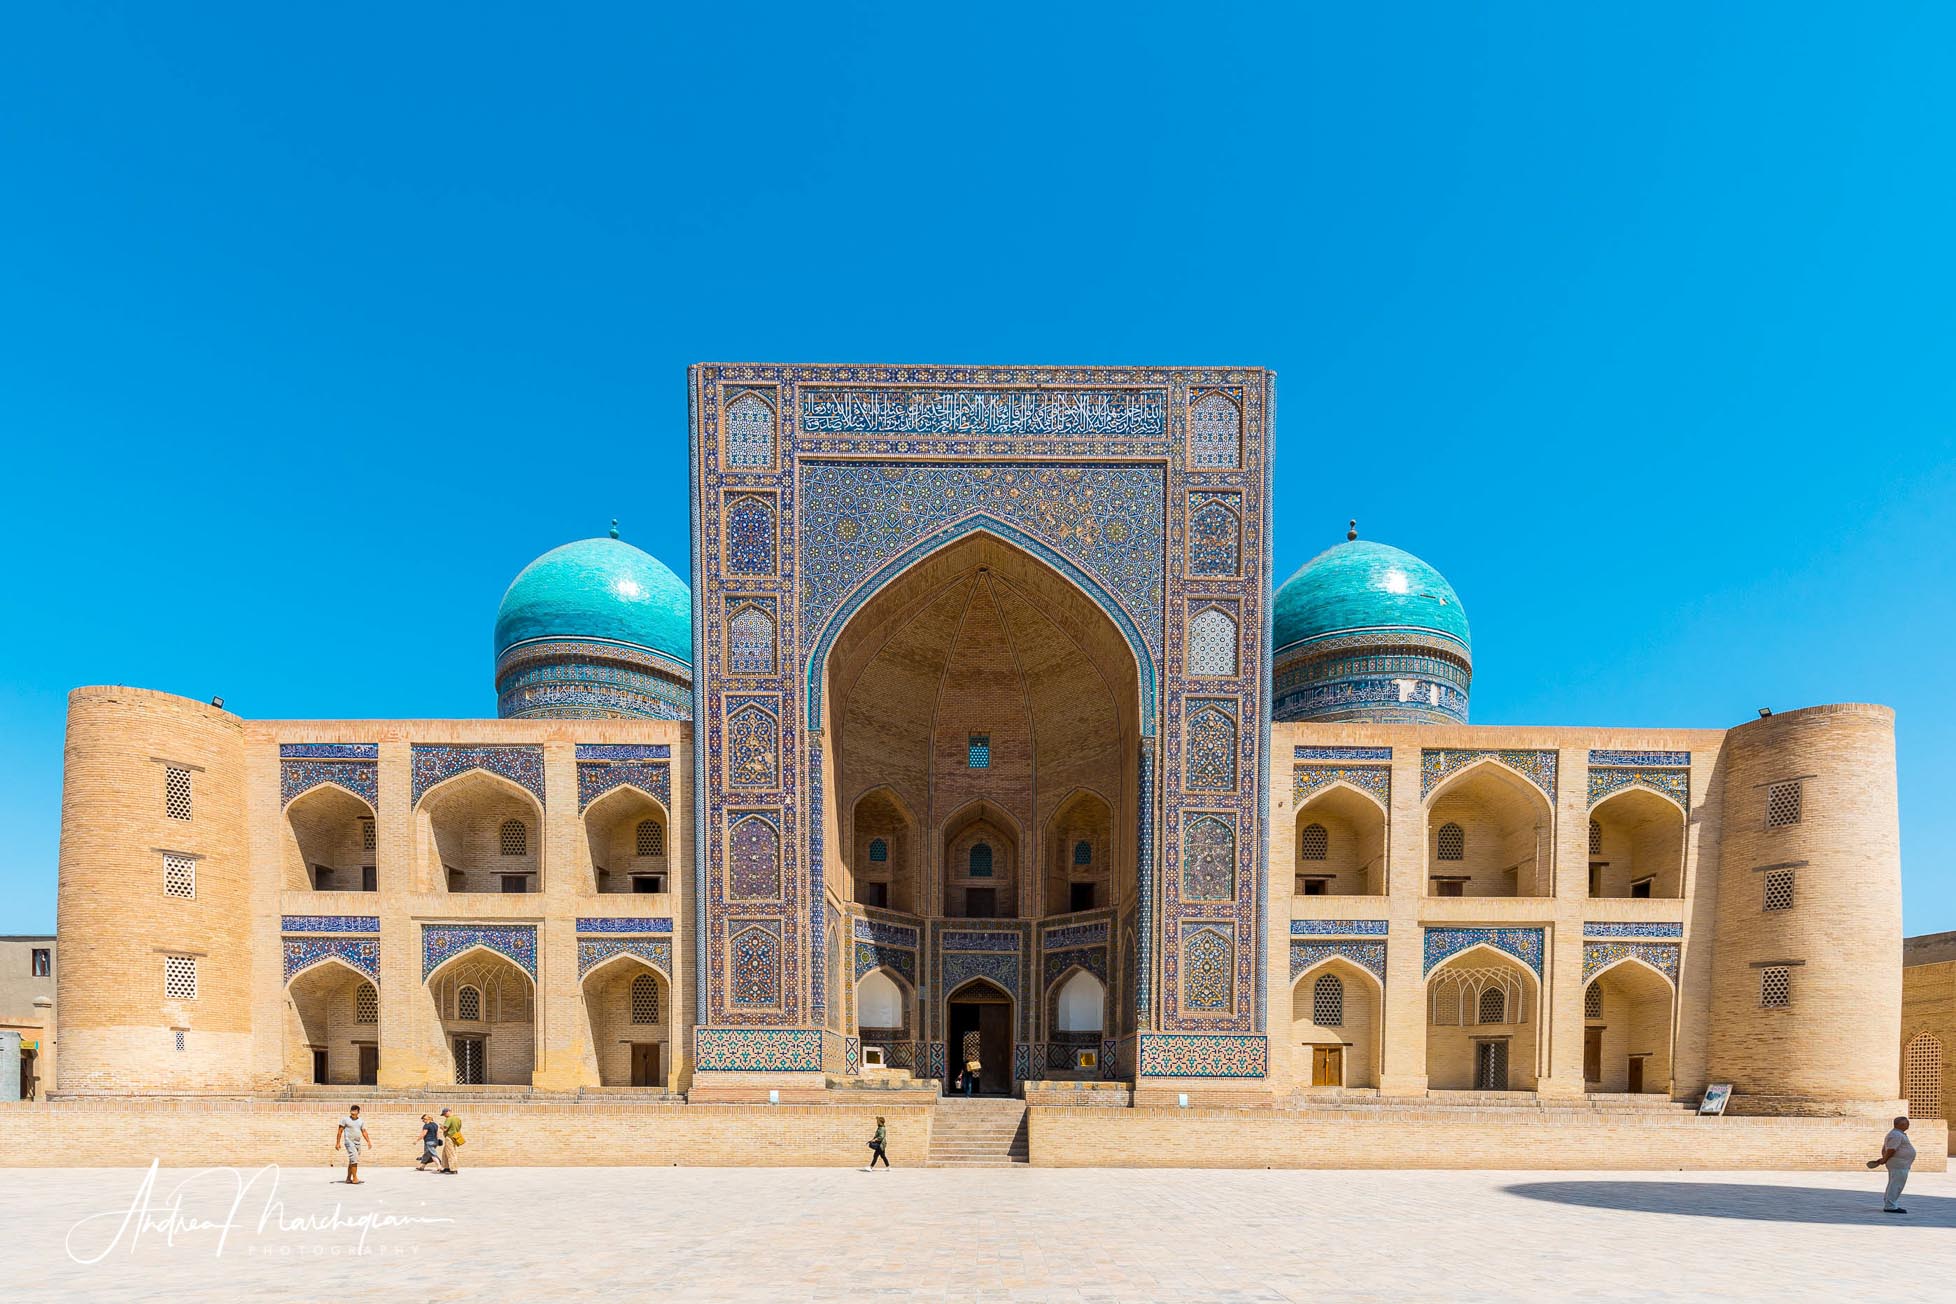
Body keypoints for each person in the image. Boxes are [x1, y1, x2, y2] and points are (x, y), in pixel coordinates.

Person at [1867, 1115, 1916, 1213]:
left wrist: (1884, 1159)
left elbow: (1885, 1149)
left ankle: (1889, 1203)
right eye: (1906, 1123)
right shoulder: (1896, 1135)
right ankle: (1890, 1206)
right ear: (1900, 1124)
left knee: (1894, 1183)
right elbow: (1891, 1149)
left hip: (1900, 1164)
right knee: (1896, 1184)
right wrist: (1885, 1159)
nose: (1908, 1125)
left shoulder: (1897, 1134)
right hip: (1898, 1164)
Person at [334, 1104, 374, 1185]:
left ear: (358, 1112)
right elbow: (340, 1131)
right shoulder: (345, 1120)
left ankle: (348, 1178)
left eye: (355, 1110)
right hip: (349, 1141)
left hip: (357, 1142)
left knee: (352, 1160)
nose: (352, 1112)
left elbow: (364, 1131)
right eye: (351, 1110)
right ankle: (355, 1178)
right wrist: (337, 1143)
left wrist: (368, 1141)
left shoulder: (361, 1121)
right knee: (354, 1158)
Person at [438, 1106, 464, 1174]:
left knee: (451, 1153)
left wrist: (441, 1127)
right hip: (455, 1137)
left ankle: (453, 1169)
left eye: (444, 1114)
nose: (444, 1116)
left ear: (448, 1112)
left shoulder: (449, 1119)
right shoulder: (458, 1119)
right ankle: (446, 1167)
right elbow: (458, 1128)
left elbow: (445, 1129)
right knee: (445, 1153)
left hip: (449, 1137)